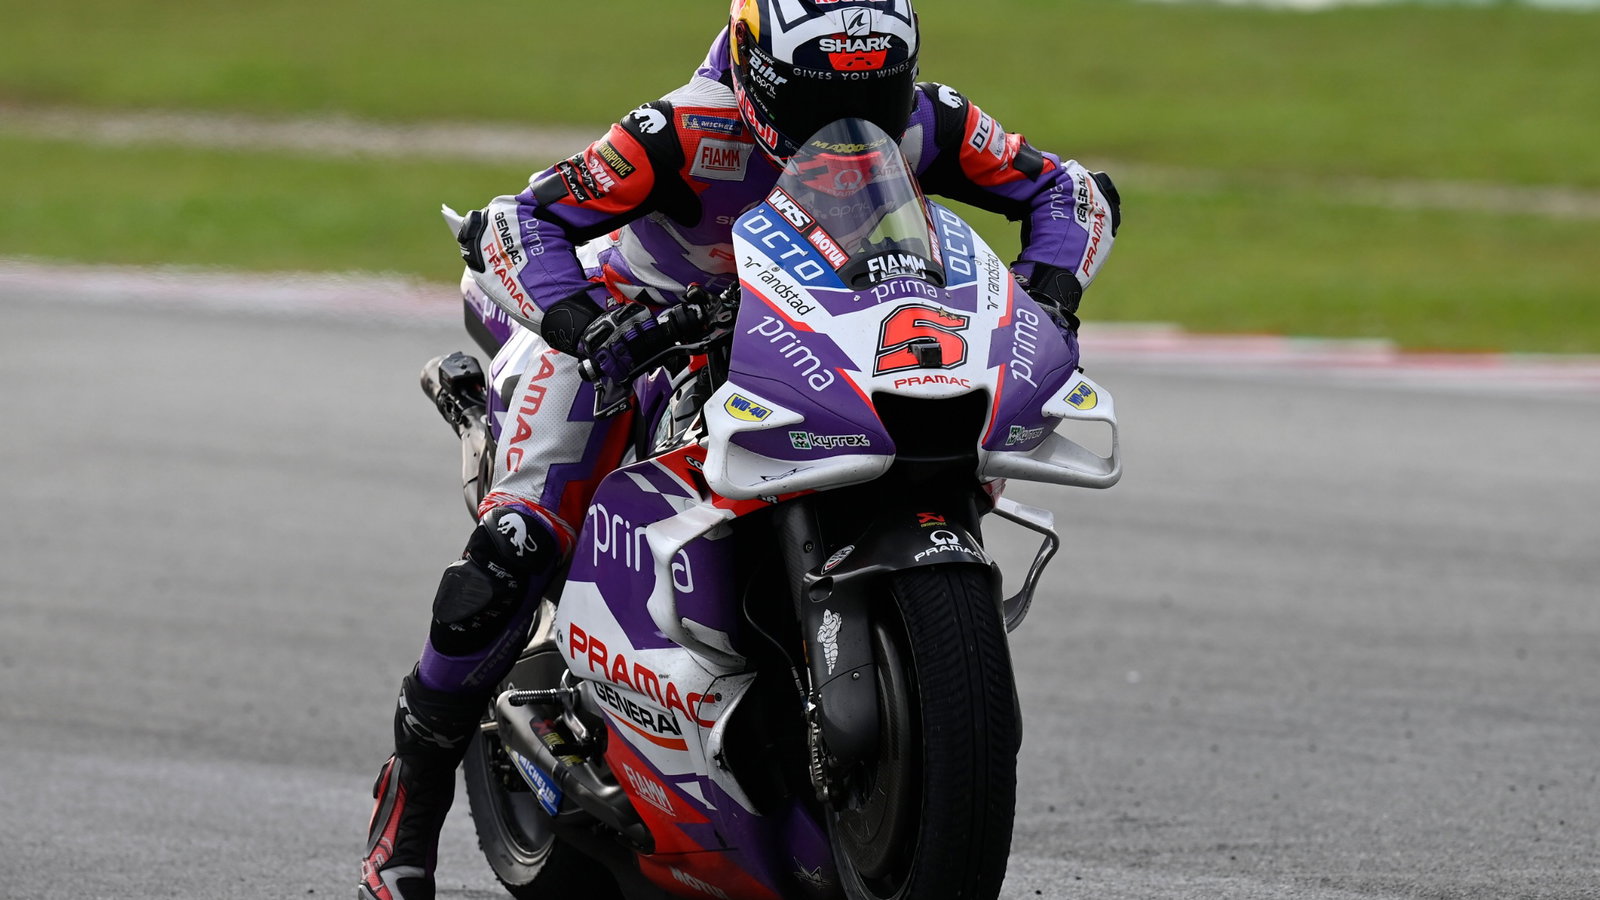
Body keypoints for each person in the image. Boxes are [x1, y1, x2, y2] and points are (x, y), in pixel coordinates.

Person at [359, 1, 1120, 897]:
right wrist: (590, 325)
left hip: (821, 331)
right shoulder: (685, 126)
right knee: (513, 552)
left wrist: (1046, 297)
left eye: (879, 90)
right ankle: (408, 812)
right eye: (822, 97)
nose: (860, 116)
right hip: (643, 329)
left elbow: (1071, 191)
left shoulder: (925, 118)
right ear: (758, 75)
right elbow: (519, 222)